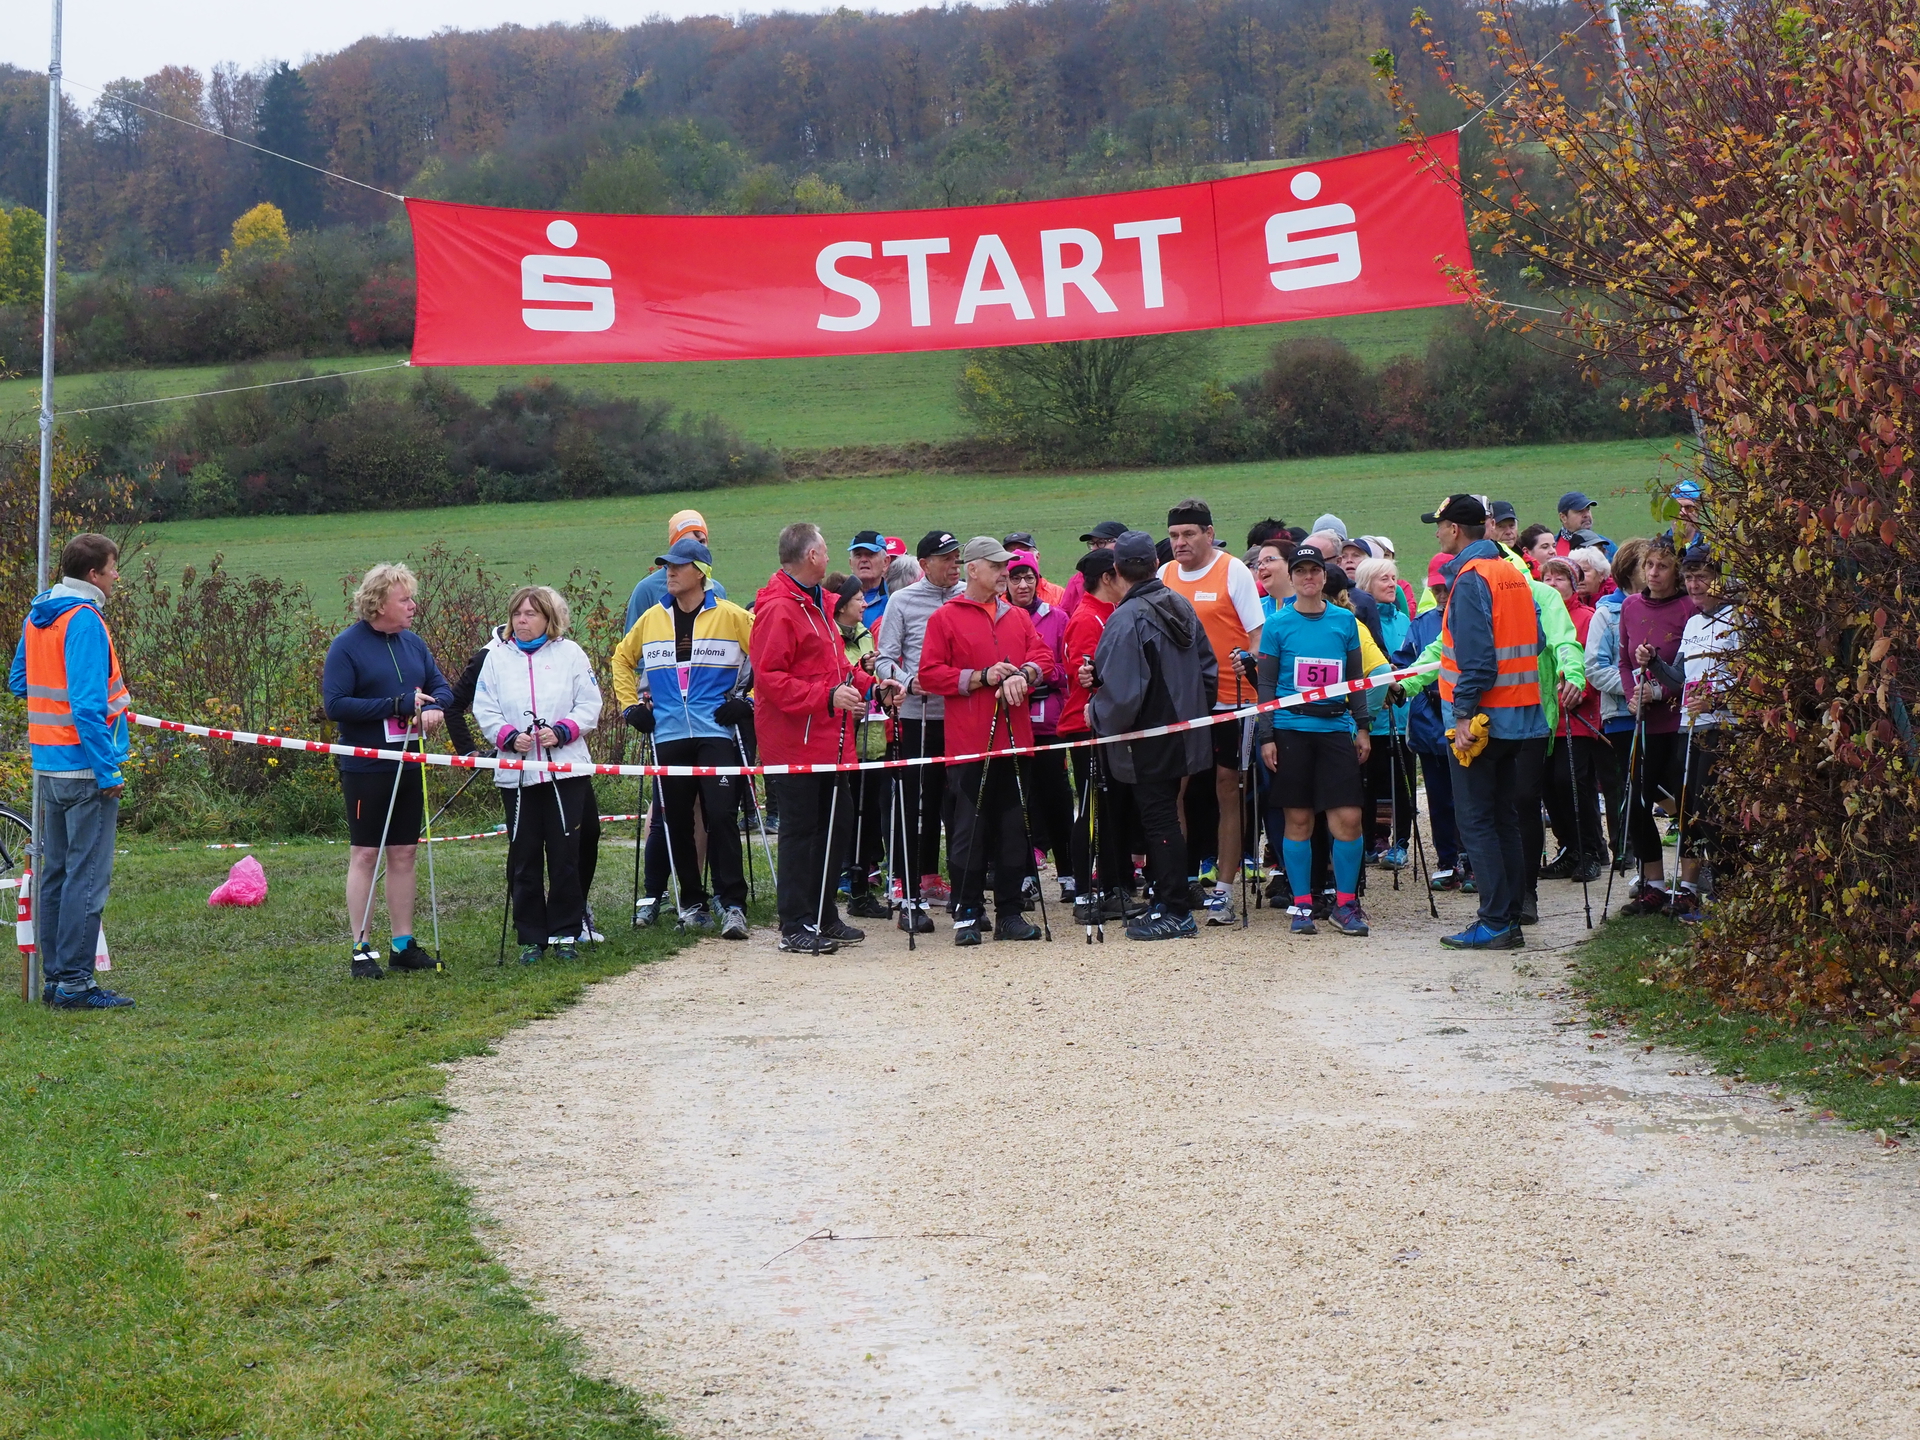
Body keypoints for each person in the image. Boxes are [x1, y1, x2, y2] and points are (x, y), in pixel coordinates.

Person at [750, 522, 891, 953]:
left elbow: (837, 668)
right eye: (826, 549)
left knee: (836, 826)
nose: (830, 557)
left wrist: (873, 687)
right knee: (801, 832)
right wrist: (826, 698)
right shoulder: (779, 609)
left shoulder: (817, 605)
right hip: (795, 743)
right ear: (811, 556)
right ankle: (794, 922)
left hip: (830, 740)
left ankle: (824, 914)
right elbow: (770, 679)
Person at [11, 534, 135, 1009]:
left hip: (48, 765)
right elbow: (86, 706)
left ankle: (55, 978)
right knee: (86, 878)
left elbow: (19, 681)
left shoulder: (40, 613)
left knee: (57, 874)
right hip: (84, 769)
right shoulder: (84, 620)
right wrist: (108, 771)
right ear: (94, 574)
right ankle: (76, 984)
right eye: (113, 567)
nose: (116, 576)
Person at [611, 537, 755, 940]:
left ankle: (733, 904)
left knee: (721, 816)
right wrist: (630, 708)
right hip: (669, 733)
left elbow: (771, 658)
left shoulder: (732, 616)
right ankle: (692, 902)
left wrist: (748, 702)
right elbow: (621, 659)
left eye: (678, 565)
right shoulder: (652, 618)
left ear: (701, 572)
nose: (669, 572)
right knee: (675, 820)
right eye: (666, 565)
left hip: (716, 732)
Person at [1424, 495, 1548, 950]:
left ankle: (1494, 922)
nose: (1438, 533)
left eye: (1440, 526)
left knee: (1476, 821)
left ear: (1455, 529)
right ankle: (1510, 917)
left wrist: (1462, 715)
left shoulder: (1470, 577)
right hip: (1520, 716)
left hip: (1481, 722)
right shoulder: (1512, 572)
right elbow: (1536, 640)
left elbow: (1476, 660)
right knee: (1503, 819)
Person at [918, 538, 1056, 945]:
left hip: (1015, 740)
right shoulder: (945, 617)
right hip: (969, 744)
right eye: (996, 567)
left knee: (1014, 829)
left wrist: (1023, 675)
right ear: (973, 569)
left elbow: (1044, 658)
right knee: (969, 831)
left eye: (1005, 567)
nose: (1003, 574)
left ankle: (1009, 913)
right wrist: (981, 677)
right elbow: (929, 674)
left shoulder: (1017, 616)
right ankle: (967, 912)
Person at [323, 562, 454, 980]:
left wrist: (434, 707)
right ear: (379, 604)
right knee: (366, 853)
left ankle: (403, 945)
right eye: (405, 599)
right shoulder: (347, 646)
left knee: (404, 851)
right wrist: (394, 705)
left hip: (409, 761)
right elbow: (336, 705)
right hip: (366, 765)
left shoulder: (413, 644)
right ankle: (361, 948)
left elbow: (442, 688)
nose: (413, 606)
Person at [1086, 530, 1218, 941]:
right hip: (1184, 732)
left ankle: (1176, 910)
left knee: (1159, 819)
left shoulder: (1126, 618)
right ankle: (1167, 899)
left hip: (1146, 737)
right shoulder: (1180, 604)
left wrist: (1095, 712)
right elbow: (1209, 672)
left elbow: (1122, 695)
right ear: (1155, 563)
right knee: (1166, 817)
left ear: (1116, 569)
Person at [451, 595, 605, 943]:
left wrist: (563, 730)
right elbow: (484, 707)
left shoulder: (571, 653)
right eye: (517, 614)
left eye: (531, 614)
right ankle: (531, 935)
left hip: (566, 769)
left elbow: (589, 703)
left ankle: (566, 931)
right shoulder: (497, 657)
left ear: (548, 619)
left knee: (566, 854)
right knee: (525, 855)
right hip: (516, 772)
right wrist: (507, 736)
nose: (522, 620)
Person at [1257, 544, 1373, 937]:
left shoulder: (1344, 621)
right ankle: (1302, 904)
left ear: (1324, 577)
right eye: (1301, 571)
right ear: (1292, 578)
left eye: (1314, 571)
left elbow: (1355, 680)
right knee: (1299, 819)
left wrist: (1362, 726)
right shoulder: (1277, 624)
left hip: (1335, 729)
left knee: (1349, 819)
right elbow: (1266, 685)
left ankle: (1346, 904)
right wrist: (1267, 735)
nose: (1308, 578)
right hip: (1291, 730)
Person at [1160, 498, 1265, 925]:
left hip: (1232, 700)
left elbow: (1258, 636)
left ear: (1208, 533)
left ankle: (1224, 890)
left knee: (1228, 789)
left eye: (1188, 534)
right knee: (1175, 790)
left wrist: (1250, 663)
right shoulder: (1165, 574)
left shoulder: (1232, 570)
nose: (1180, 542)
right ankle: (1178, 882)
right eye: (1173, 535)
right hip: (1185, 702)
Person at [874, 530, 962, 925]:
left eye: (957, 557)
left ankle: (950, 884)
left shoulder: (968, 595)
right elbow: (884, 659)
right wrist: (908, 682)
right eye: (946, 558)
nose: (954, 565)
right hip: (919, 715)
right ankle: (907, 887)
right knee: (914, 803)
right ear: (924, 564)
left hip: (962, 715)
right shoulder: (903, 600)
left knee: (956, 802)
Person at [1058, 547, 1142, 925]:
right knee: (1092, 811)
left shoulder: (1108, 612)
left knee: (1110, 811)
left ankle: (1113, 887)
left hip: (1109, 726)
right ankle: (1083, 893)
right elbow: (1086, 674)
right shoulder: (1087, 617)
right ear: (1108, 578)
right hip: (1088, 726)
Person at [1616, 536, 1698, 916]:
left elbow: (1691, 667)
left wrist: (1660, 691)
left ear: (1675, 571)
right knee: (1636, 803)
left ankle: (1690, 884)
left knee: (1683, 805)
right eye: (1648, 565)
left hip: (1678, 722)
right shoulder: (1631, 606)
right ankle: (1653, 884)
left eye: (1662, 566)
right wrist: (1633, 695)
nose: (1653, 573)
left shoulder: (1687, 608)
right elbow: (1623, 661)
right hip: (1643, 724)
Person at [1662, 545, 1738, 922]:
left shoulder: (1738, 620)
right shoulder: (1693, 623)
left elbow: (1752, 680)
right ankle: (1707, 892)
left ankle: (1728, 892)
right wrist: (1652, 663)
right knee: (1693, 813)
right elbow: (1679, 677)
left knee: (1716, 813)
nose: (1694, 585)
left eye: (1702, 577)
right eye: (1689, 578)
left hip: (1724, 729)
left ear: (1720, 579)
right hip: (1689, 729)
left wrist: (1716, 699)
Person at [1390, 563, 1467, 891]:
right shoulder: (1420, 624)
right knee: (1438, 798)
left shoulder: (1470, 618)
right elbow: (1407, 662)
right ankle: (1447, 861)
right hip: (1427, 721)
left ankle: (1471, 860)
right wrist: (1393, 676)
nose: (1441, 594)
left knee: (1467, 795)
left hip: (1464, 717)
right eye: (1435, 589)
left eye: (1445, 588)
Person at [822, 571, 892, 921]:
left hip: (872, 740)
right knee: (846, 819)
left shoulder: (864, 635)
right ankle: (840, 884)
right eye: (858, 599)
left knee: (869, 818)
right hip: (842, 743)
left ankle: (862, 890)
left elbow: (870, 681)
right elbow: (834, 679)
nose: (865, 603)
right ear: (841, 606)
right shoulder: (829, 637)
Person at [1005, 549, 1075, 897]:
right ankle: (1026, 875)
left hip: (1048, 723)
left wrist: (1043, 677)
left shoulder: (1056, 617)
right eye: (1015, 577)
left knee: (1057, 798)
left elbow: (1067, 668)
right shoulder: (1000, 617)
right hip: (1012, 723)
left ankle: (1069, 874)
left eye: (1029, 577)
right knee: (1020, 802)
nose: (1023, 585)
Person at [1538, 558, 1606, 883]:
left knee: (1572, 782)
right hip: (1546, 718)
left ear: (1574, 584)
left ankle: (1591, 849)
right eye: (1547, 579)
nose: (1552, 584)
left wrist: (1581, 688)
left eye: (1559, 579)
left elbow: (1593, 663)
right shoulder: (1537, 618)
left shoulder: (1587, 618)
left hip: (1577, 716)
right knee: (1548, 785)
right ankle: (1569, 847)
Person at [1585, 537, 1648, 873]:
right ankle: (1631, 854)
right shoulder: (1607, 613)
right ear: (1628, 570)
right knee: (1626, 788)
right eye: (1646, 565)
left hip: (1661, 714)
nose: (1653, 571)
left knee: (1657, 789)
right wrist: (1634, 688)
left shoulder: (1666, 608)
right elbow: (1595, 667)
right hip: (1622, 716)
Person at [1354, 556, 1413, 868]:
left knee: (1402, 786)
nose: (1392, 584)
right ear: (1366, 585)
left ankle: (1401, 844)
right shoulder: (1359, 624)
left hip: (1401, 718)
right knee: (1366, 787)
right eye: (1384, 579)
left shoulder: (1405, 621)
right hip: (1370, 720)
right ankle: (1365, 844)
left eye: (1393, 578)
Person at [624, 510, 728, 630]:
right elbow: (632, 638)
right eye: (686, 543)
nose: (695, 548)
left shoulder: (717, 590)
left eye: (701, 542)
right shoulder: (647, 590)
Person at [1059, 519, 1128, 616]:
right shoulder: (1078, 580)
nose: (1094, 548)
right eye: (1092, 543)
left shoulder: (1135, 576)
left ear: (1122, 544)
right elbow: (1064, 616)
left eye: (1101, 543)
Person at [1000, 533, 1066, 607]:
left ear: (1037, 557)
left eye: (1024, 551)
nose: (1017, 555)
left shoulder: (1058, 595)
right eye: (1010, 553)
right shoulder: (996, 598)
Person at [847, 530, 894, 633]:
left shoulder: (894, 598)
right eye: (858, 555)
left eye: (870, 554)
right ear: (851, 563)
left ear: (885, 562)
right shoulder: (837, 597)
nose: (863, 560)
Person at [1554, 492, 1616, 559]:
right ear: (1563, 517)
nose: (1586, 515)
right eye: (1579, 511)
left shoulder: (1608, 546)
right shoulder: (1551, 548)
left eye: (1588, 509)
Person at [1662, 478, 1705, 550]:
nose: (1682, 512)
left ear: (1698, 512)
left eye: (1688, 508)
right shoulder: (1654, 549)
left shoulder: (1710, 550)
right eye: (1677, 507)